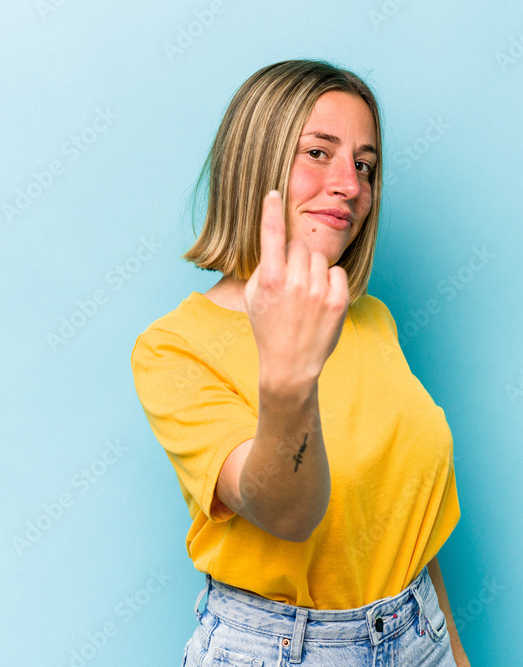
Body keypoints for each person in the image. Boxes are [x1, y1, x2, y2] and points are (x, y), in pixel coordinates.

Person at [130, 59, 469, 666]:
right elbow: (285, 512)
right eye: (319, 152)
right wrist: (291, 374)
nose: (350, 185)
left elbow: (405, 532)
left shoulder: (372, 320)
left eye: (364, 165)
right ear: (257, 159)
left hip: (418, 633)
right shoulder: (174, 348)